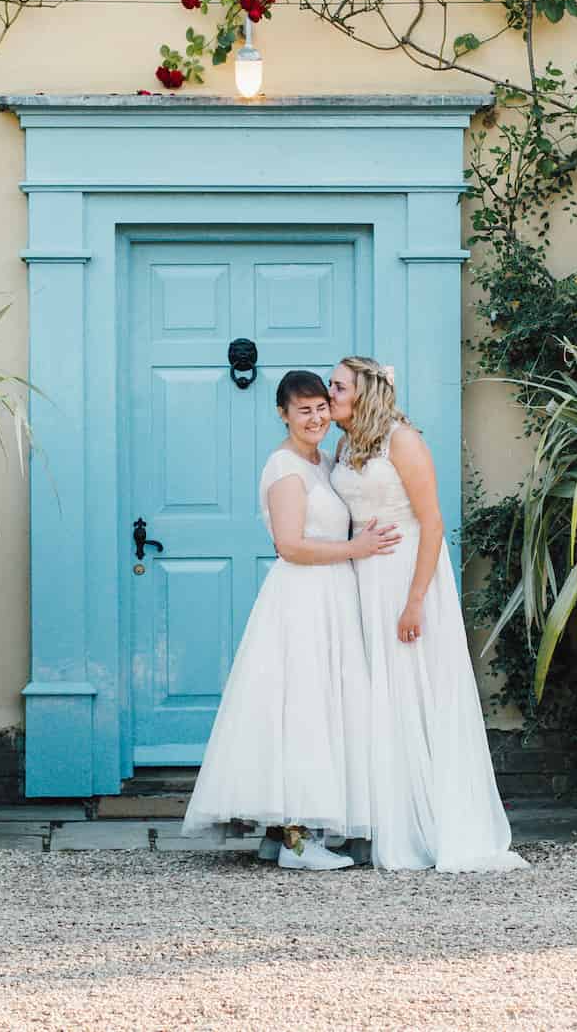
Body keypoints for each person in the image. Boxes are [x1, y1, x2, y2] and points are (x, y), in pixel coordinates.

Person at [180, 368, 401, 870]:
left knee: (325, 708)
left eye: (322, 407)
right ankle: (296, 842)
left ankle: (289, 833)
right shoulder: (285, 468)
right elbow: (290, 545)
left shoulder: (325, 461)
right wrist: (356, 547)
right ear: (283, 414)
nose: (316, 417)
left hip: (333, 595)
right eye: (303, 410)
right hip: (302, 597)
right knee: (301, 708)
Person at [329, 355, 526, 872]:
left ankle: (431, 822)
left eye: (339, 385)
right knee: (375, 695)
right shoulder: (345, 443)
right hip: (364, 578)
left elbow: (433, 523)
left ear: (366, 391)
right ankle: (383, 817)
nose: (330, 394)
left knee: (412, 690)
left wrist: (415, 598)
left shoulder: (403, 441)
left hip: (405, 577)